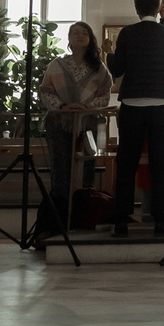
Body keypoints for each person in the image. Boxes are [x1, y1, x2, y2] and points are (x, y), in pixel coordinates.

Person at [108, 0, 164, 237]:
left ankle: (121, 221)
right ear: (157, 9)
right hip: (162, 104)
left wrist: (109, 53)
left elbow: (117, 68)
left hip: (132, 104)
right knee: (161, 163)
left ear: (137, 9)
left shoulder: (128, 33)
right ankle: (161, 222)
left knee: (126, 163)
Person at [37, 21, 111, 242]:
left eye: (84, 33)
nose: (79, 36)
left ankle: (80, 223)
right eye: (75, 33)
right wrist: (62, 107)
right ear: (68, 39)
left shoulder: (99, 68)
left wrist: (85, 107)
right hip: (60, 124)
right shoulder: (57, 65)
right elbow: (45, 90)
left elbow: (105, 95)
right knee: (61, 174)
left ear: (90, 39)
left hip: (88, 124)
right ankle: (54, 226)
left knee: (85, 172)